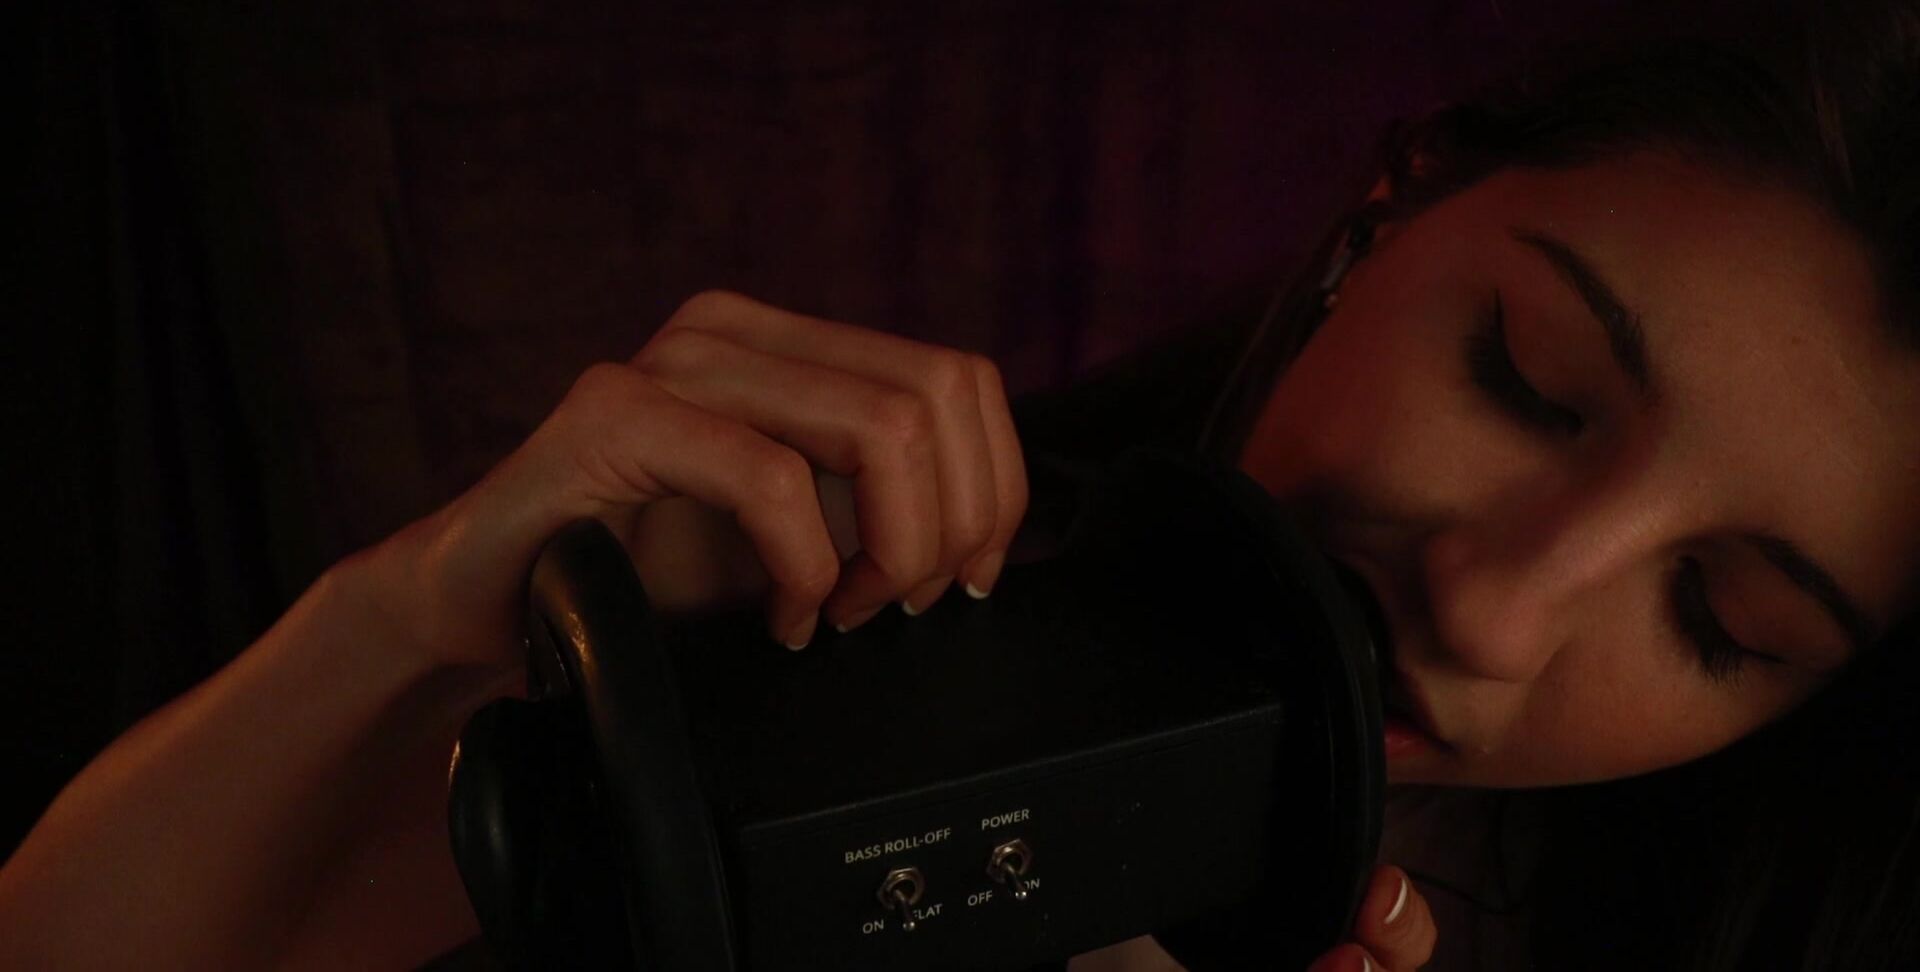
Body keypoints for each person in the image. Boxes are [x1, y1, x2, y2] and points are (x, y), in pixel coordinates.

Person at [3, 1, 1917, 969]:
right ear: (1387, 211)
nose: (1494, 606)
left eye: (1721, 621)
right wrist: (417, 620)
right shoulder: (847, 582)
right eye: (1527, 378)